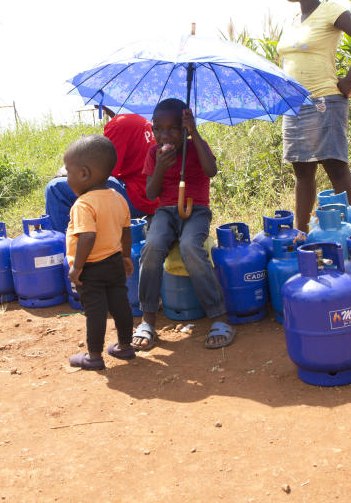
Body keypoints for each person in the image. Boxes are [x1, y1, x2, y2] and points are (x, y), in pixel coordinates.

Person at [277, 0, 351, 233]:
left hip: (324, 100)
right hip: (294, 105)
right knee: (302, 171)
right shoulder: (292, 21)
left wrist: (349, 80)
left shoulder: (330, 11)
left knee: (334, 166)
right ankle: (302, 234)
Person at [131, 98, 234, 350]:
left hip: (196, 209)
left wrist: (195, 134)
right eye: (158, 128)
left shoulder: (196, 146)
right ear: (152, 130)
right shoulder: (154, 153)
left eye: (173, 129)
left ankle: (218, 317)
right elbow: (152, 194)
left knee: (190, 246)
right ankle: (148, 319)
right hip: (165, 212)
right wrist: (160, 170)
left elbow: (211, 171)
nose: (164, 135)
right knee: (152, 247)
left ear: (184, 128)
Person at [63, 134, 136, 370]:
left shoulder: (83, 204)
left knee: (95, 311)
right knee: (120, 305)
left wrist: (77, 267)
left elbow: (87, 236)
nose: (67, 178)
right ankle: (125, 346)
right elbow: (126, 231)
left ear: (83, 174)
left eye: (68, 172)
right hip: (114, 262)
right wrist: (125, 256)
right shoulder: (118, 198)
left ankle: (93, 356)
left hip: (91, 268)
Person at [44, 106, 157, 233]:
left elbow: (104, 171)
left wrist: (69, 171)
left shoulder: (118, 124)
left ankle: (61, 247)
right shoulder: (143, 121)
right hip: (151, 196)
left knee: (56, 188)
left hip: (137, 197)